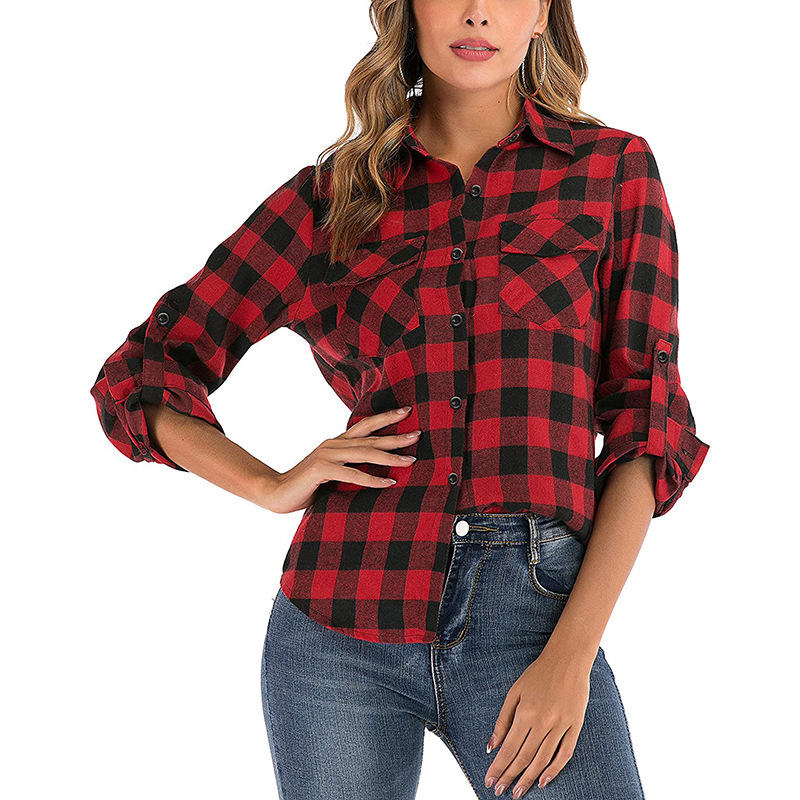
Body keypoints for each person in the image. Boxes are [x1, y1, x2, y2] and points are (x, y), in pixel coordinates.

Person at [89, 1, 711, 798]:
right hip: (340, 617)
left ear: (541, 15)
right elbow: (143, 369)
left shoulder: (612, 171)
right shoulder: (334, 198)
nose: (477, 13)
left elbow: (645, 425)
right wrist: (269, 484)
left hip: (535, 615)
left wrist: (571, 654)